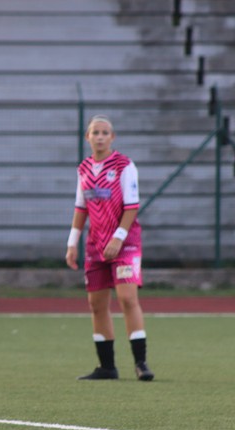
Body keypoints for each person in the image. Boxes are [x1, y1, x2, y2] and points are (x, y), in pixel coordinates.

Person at [65, 115, 154, 382]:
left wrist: (118, 238)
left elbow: (131, 206)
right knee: (96, 304)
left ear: (112, 137)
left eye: (105, 132)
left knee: (127, 298)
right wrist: (72, 243)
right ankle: (107, 367)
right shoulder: (83, 169)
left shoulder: (125, 166)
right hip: (96, 245)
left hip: (125, 243)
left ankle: (141, 363)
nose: (100, 136)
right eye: (95, 132)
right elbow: (81, 208)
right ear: (87, 137)